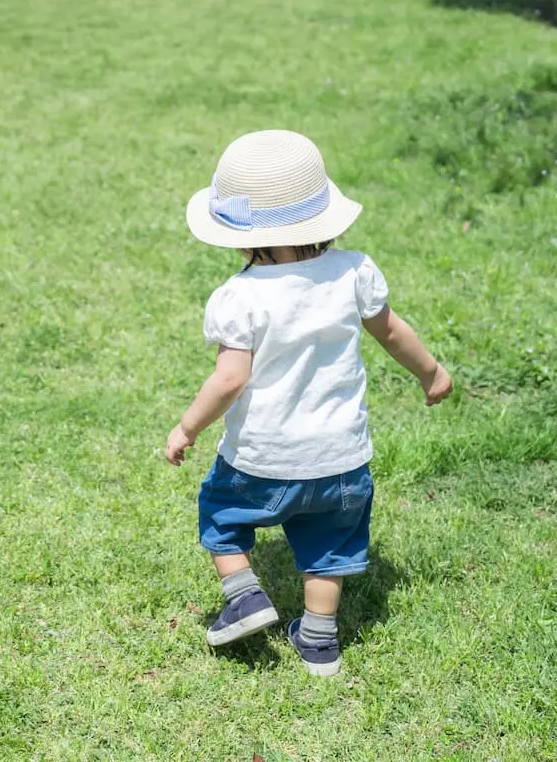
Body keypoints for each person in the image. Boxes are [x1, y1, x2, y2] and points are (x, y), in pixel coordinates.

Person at [165, 130, 453, 676]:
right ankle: (320, 643)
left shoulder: (241, 296)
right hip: (341, 458)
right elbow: (391, 332)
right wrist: (432, 372)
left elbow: (229, 380)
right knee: (329, 543)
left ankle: (245, 596)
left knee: (222, 517)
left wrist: (187, 428)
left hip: (261, 456)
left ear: (238, 235)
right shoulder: (352, 272)